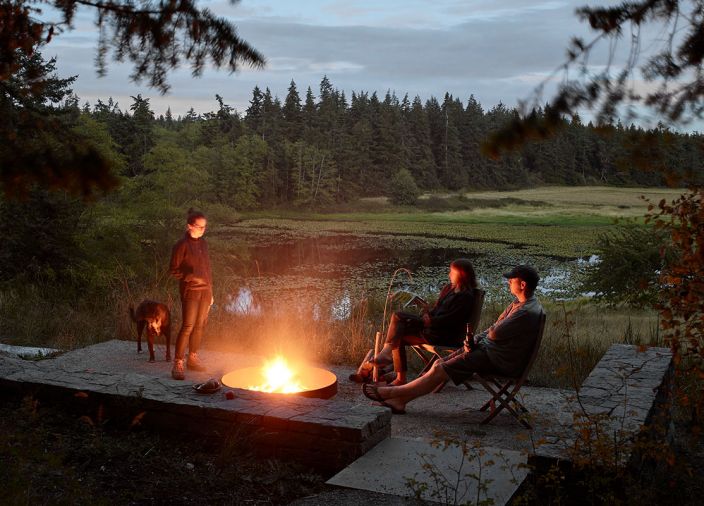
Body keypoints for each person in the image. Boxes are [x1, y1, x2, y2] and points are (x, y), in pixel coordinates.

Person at [362, 264, 543, 414]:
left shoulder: (525, 311)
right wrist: (477, 339)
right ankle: (399, 400)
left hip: (497, 359)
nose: (509, 282)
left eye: (512, 280)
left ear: (523, 285)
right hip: (489, 352)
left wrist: (483, 338)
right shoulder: (519, 304)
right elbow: (492, 329)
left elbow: (495, 333)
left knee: (441, 368)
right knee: (438, 363)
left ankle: (395, 393)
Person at [369, 258, 479, 385]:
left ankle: (391, 364)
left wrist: (430, 321)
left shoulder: (466, 297)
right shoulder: (449, 288)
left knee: (398, 317)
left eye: (452, 272)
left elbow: (452, 320)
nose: (449, 274)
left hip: (443, 334)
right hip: (432, 327)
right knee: (400, 329)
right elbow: (437, 308)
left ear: (461, 274)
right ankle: (393, 369)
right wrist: (427, 312)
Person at [169, 209, 213, 380]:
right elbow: (173, 270)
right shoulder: (181, 245)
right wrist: (190, 277)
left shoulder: (203, 244)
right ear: (189, 226)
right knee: (188, 326)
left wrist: (211, 291)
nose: (202, 230)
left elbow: (208, 269)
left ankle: (192, 358)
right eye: (199, 227)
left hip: (205, 291)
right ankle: (178, 362)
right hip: (190, 291)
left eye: (204, 227)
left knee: (200, 326)